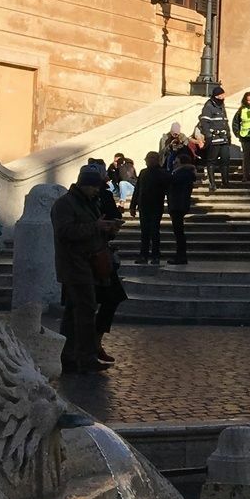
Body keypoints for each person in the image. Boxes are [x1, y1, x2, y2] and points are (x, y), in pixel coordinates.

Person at [53, 163, 118, 373]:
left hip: (89, 264)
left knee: (75, 311)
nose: (97, 190)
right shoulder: (65, 204)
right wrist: (95, 227)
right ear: (84, 185)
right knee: (85, 310)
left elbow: (92, 229)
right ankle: (85, 357)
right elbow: (64, 232)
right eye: (94, 186)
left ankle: (69, 356)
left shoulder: (89, 202)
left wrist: (108, 229)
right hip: (74, 264)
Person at [133, 150, 168, 264]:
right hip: (143, 206)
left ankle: (155, 255)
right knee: (144, 232)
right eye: (147, 159)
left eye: (151, 158)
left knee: (154, 231)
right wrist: (133, 205)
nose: (148, 161)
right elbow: (137, 189)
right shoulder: (143, 172)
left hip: (156, 206)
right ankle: (143, 255)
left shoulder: (162, 173)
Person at [195, 84, 232, 191]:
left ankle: (225, 181)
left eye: (223, 96)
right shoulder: (208, 107)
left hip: (224, 139)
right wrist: (209, 136)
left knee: (225, 159)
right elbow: (205, 123)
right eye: (220, 96)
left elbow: (225, 122)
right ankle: (212, 184)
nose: (222, 98)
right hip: (214, 139)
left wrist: (228, 136)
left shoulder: (222, 107)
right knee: (211, 161)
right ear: (216, 96)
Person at [165, 147, 196, 265]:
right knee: (178, 232)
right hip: (178, 204)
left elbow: (173, 182)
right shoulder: (183, 173)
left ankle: (181, 256)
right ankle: (180, 255)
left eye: (176, 161)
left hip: (178, 204)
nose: (174, 163)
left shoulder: (183, 173)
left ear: (182, 163)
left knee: (179, 232)